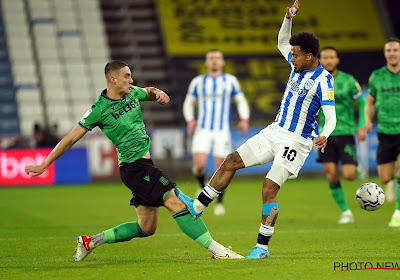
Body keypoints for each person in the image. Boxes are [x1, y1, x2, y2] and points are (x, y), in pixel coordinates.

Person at [24, 60, 244, 261]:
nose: (131, 80)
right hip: (134, 168)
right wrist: (45, 164)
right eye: (127, 76)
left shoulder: (132, 93)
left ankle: (91, 242)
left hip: (143, 167)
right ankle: (219, 251)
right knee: (176, 202)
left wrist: (159, 93)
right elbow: (70, 139)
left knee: (147, 227)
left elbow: (148, 92)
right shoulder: (98, 110)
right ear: (113, 79)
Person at [176, 0, 336, 259]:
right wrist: (288, 19)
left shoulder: (323, 80)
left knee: (269, 187)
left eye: (295, 55)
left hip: (297, 141)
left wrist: (325, 134)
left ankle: (261, 247)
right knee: (230, 162)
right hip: (274, 131)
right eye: (291, 55)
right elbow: (281, 43)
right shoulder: (297, 64)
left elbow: (331, 117)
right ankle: (196, 207)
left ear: (309, 56)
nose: (290, 58)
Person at [183, 49, 250, 216]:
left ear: (222, 62)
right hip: (203, 129)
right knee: (199, 165)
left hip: (222, 131)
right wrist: (190, 119)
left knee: (221, 168)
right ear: (206, 62)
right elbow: (189, 102)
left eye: (217, 58)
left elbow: (240, 100)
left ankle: (219, 203)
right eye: (211, 58)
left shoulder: (230, 81)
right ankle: (201, 182)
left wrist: (244, 118)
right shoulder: (198, 82)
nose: (214, 61)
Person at [317, 46, 366, 224]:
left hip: (345, 132)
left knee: (349, 175)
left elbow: (362, 103)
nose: (329, 60)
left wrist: (360, 126)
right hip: (325, 135)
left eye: (332, 57)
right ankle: (346, 211)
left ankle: (355, 165)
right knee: (331, 173)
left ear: (337, 60)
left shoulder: (349, 81)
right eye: (325, 57)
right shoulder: (316, 81)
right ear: (320, 60)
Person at [364, 38, 400, 227]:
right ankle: (392, 181)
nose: (392, 53)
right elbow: (370, 102)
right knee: (385, 177)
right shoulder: (377, 76)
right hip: (385, 131)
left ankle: (398, 214)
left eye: (395, 50)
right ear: (385, 54)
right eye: (389, 50)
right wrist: (368, 120)